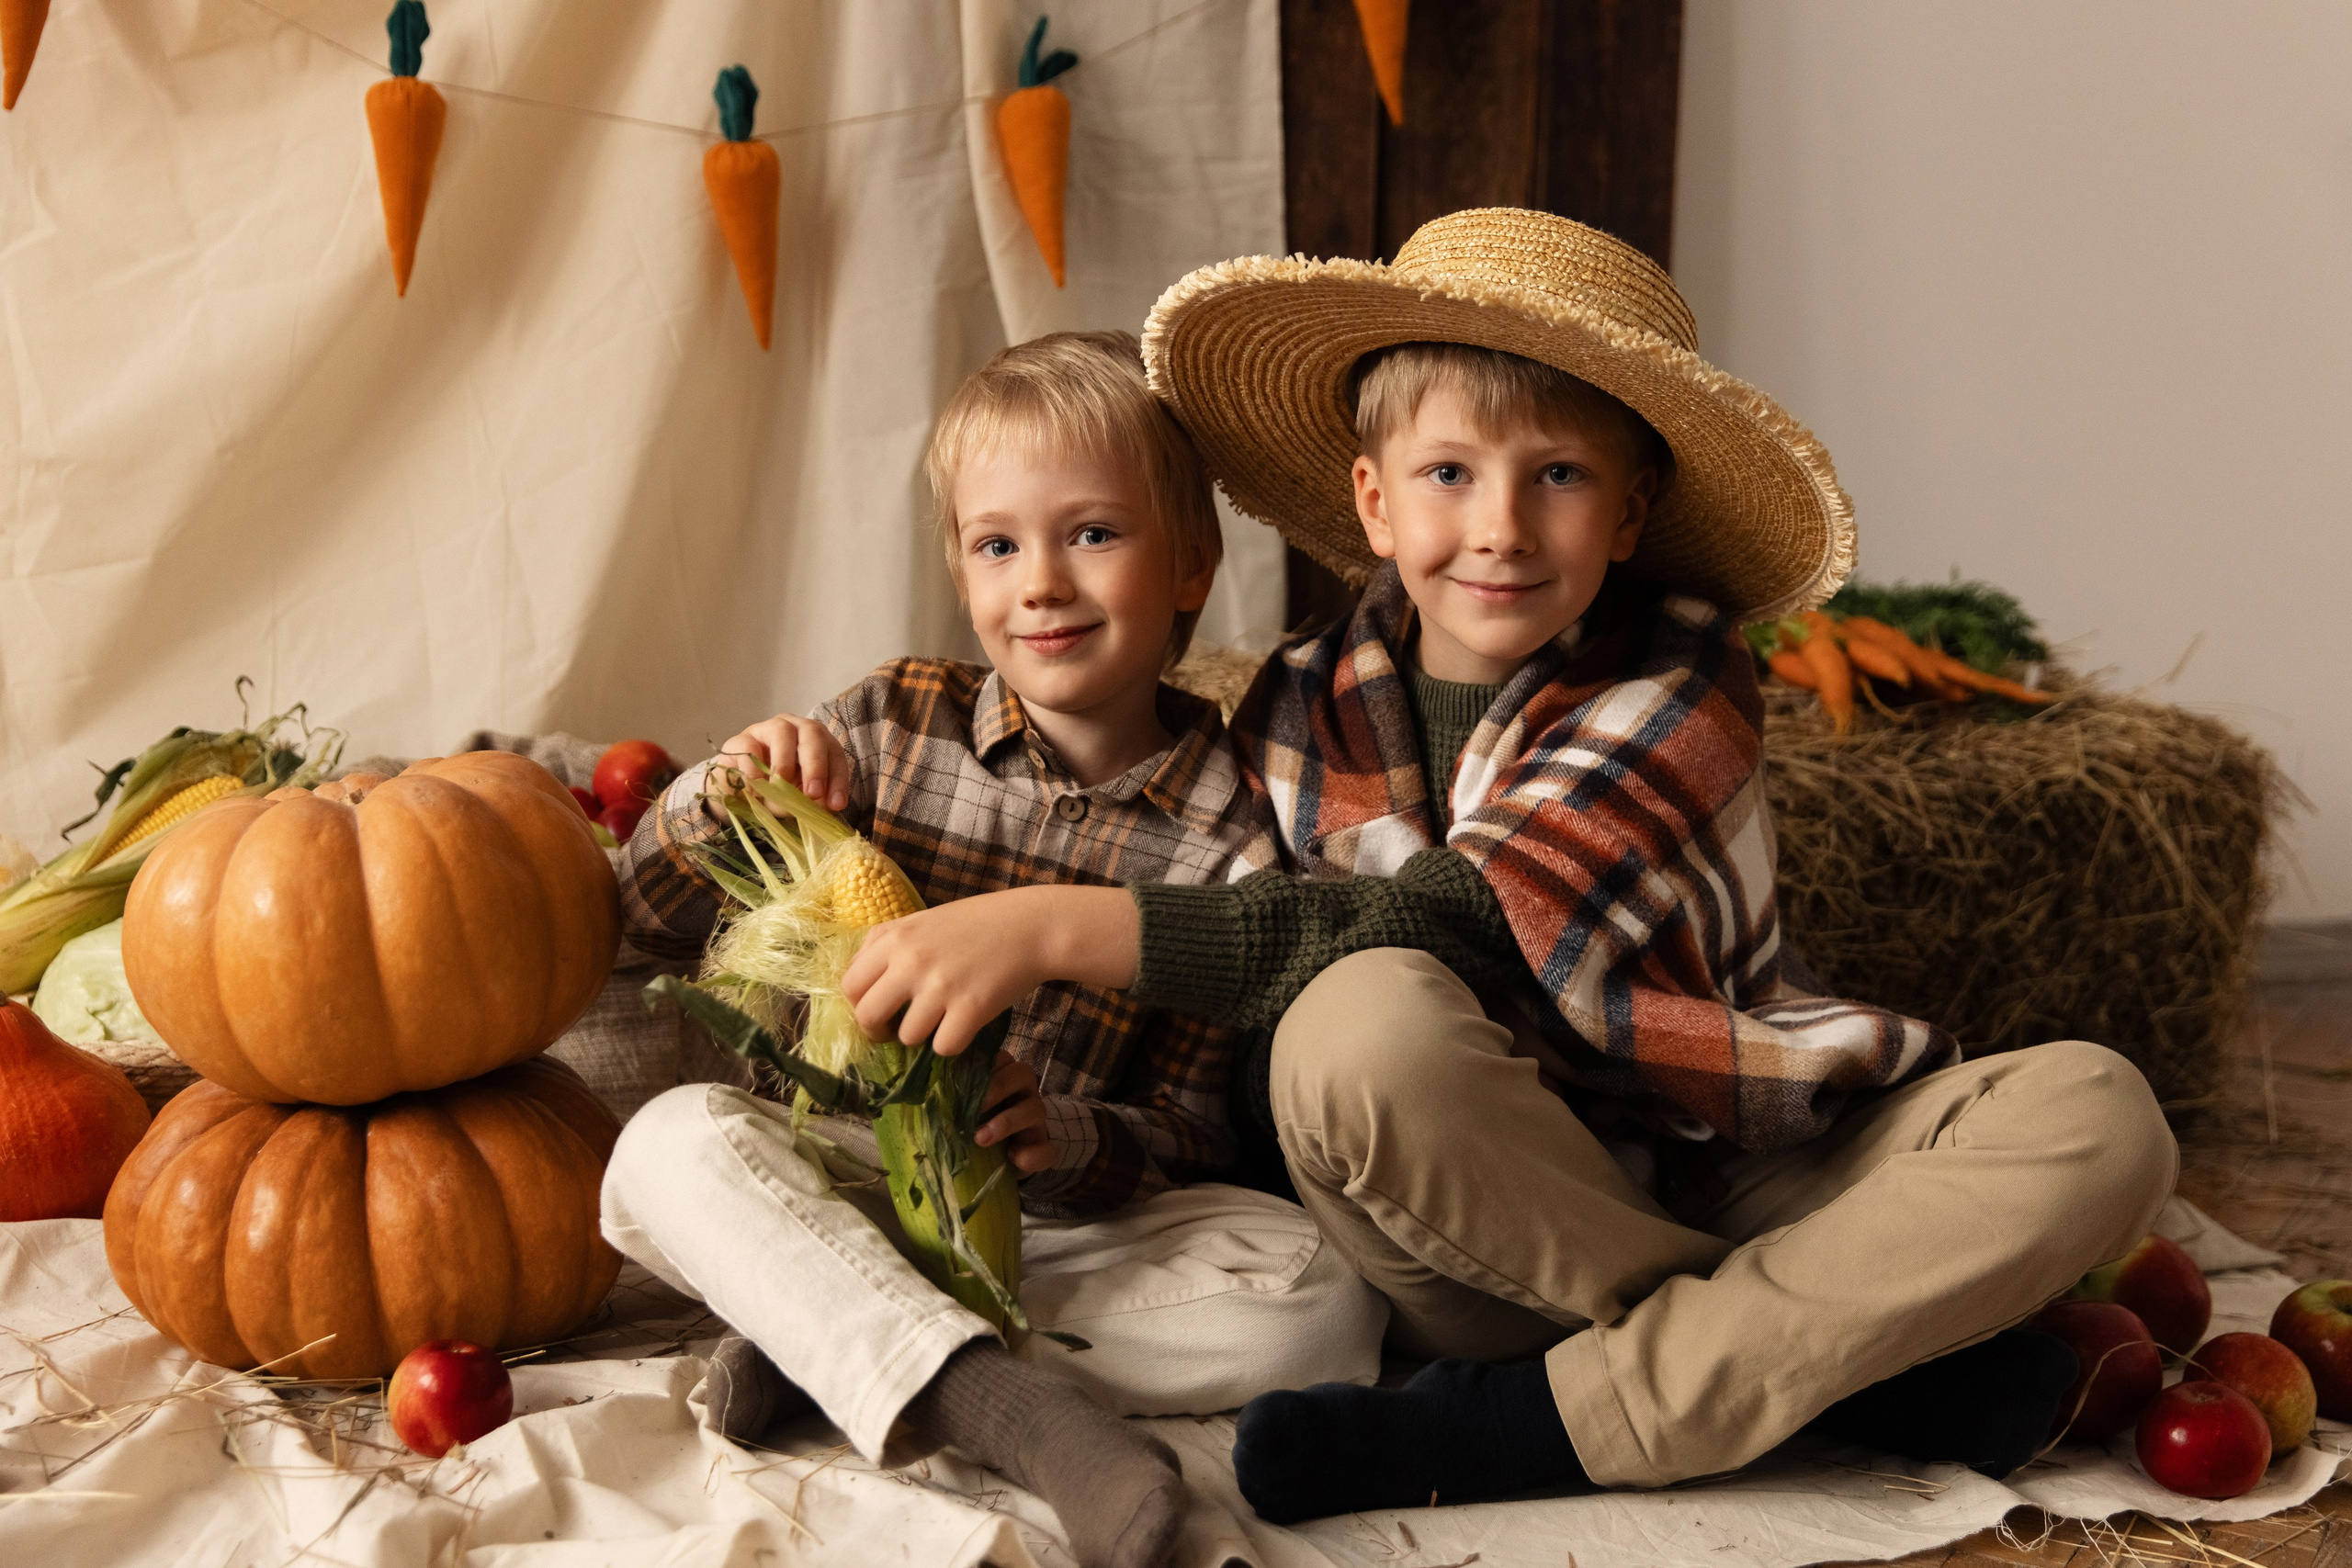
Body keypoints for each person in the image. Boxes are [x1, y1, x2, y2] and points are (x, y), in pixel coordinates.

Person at [841, 209, 2177, 1521]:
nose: (1501, 528)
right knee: (1351, 1028)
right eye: (1448, 475)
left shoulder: (1680, 674)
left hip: (1734, 1151)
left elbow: (1465, 914)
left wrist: (1054, 928)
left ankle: (1566, 1414)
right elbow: (1265, 1063)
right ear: (1371, 498)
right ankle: (1836, 1360)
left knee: (2098, 1114)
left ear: (1633, 509)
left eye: (1559, 476)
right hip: (1477, 1214)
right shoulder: (1297, 708)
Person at [598, 330, 1384, 1568]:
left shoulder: (1235, 832)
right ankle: (1021, 1415)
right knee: (664, 1149)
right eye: (998, 544)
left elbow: (1202, 1120)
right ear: (962, 571)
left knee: (1321, 1307)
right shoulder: (885, 724)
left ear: (1192, 564)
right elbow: (642, 913)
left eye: (1094, 534)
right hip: (837, 1166)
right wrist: (725, 791)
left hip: (1048, 1224)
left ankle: (837, 1339)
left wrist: (1074, 1135)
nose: (1043, 584)